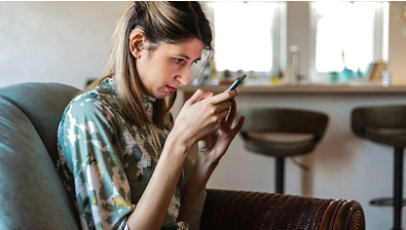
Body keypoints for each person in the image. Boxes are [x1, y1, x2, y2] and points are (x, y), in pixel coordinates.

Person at [56, 2, 244, 230]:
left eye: (192, 63)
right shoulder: (91, 115)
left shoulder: (159, 116)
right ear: (137, 45)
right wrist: (180, 141)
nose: (185, 79)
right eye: (178, 60)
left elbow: (175, 217)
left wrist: (208, 158)